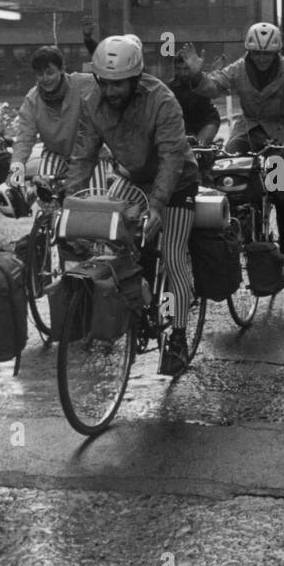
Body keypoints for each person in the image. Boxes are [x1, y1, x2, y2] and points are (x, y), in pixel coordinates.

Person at [67, 36, 200, 377]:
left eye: (119, 84)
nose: (111, 92)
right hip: (131, 176)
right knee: (111, 238)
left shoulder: (162, 100)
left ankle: (178, 338)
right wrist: (73, 204)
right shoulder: (93, 103)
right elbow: (84, 155)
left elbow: (172, 156)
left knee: (172, 256)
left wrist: (156, 207)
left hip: (177, 181)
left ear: (135, 78)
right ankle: (130, 300)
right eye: (105, 83)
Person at [177, 22, 284, 276]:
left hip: (280, 134)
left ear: (276, 52)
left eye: (267, 53)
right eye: (256, 53)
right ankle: (229, 232)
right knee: (224, 170)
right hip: (246, 130)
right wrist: (196, 75)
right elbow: (213, 85)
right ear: (248, 51)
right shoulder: (239, 68)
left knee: (280, 190)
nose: (261, 58)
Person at [7, 45, 104, 190]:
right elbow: (24, 140)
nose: (45, 79)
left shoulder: (82, 83)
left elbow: (110, 87)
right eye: (40, 74)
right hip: (56, 153)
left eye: (50, 73)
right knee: (45, 190)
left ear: (62, 69)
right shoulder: (32, 100)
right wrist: (15, 174)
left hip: (90, 153)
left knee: (95, 199)